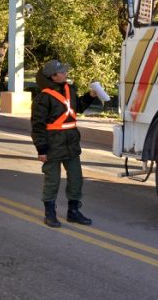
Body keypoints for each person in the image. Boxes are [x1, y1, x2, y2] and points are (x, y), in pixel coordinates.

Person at [31, 59, 97, 228]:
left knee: (76, 179)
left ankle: (73, 212)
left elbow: (78, 107)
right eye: (62, 72)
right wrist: (41, 149)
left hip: (71, 143)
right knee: (52, 180)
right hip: (52, 144)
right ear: (53, 76)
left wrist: (89, 97)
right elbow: (37, 125)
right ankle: (50, 213)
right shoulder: (43, 98)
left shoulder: (70, 90)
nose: (65, 74)